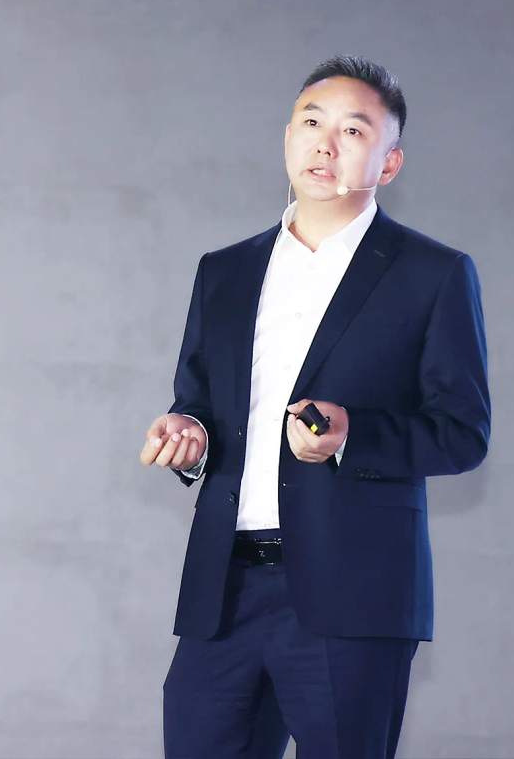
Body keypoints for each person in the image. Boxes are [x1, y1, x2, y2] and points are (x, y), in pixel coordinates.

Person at [139, 54, 491, 758]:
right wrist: (189, 436)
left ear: (389, 163)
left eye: (352, 131)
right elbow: (200, 404)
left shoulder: (432, 274)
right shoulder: (224, 271)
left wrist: (351, 433)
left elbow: (462, 432)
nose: (325, 144)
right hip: (224, 591)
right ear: (287, 139)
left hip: (353, 594)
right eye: (310, 123)